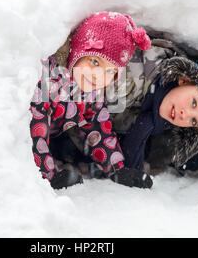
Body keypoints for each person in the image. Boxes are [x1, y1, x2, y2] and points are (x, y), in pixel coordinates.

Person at [49, 33, 198, 185]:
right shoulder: (135, 73)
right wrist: (111, 162)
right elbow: (82, 107)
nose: (185, 115)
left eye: (193, 122)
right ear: (186, 79)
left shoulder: (157, 115)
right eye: (194, 103)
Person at [29, 11, 153, 190]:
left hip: (55, 134)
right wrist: (48, 174)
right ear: (78, 50)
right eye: (95, 62)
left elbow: (98, 128)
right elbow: (35, 130)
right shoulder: (49, 79)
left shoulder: (91, 92)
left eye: (110, 71)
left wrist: (117, 169)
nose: (98, 76)